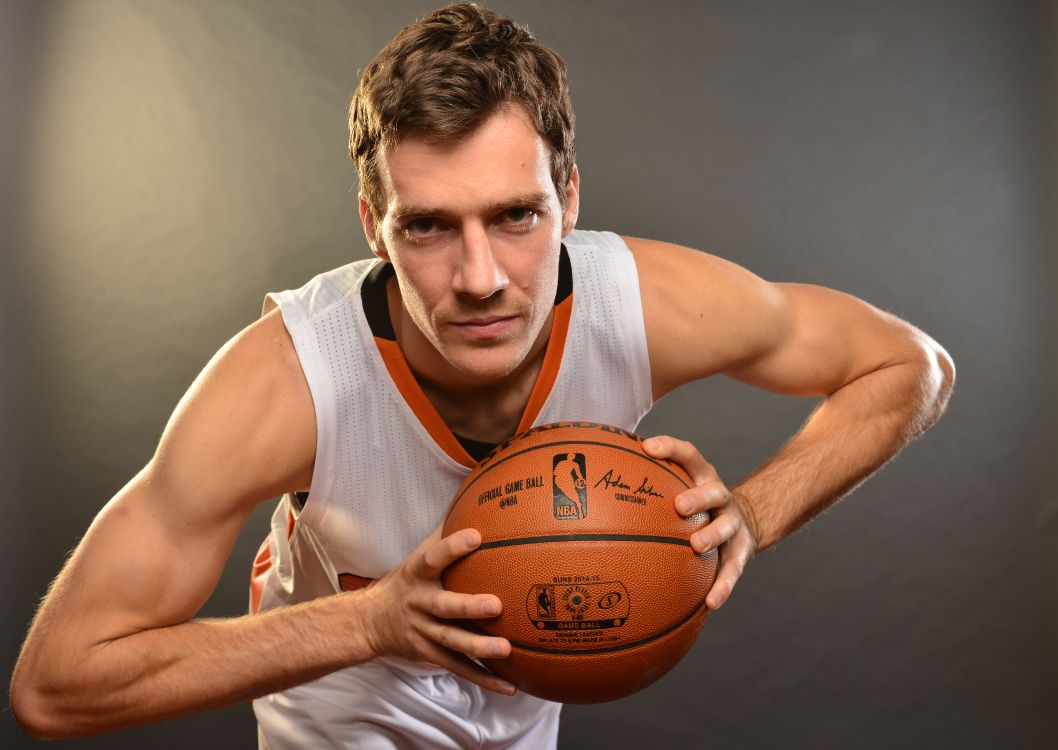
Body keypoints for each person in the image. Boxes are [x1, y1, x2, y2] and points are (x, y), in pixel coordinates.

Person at [9, 3, 955, 747]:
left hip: (520, 718)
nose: (481, 278)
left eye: (516, 216)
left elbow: (908, 364)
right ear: (373, 222)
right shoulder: (289, 382)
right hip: (341, 724)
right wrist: (373, 623)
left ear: (569, 197)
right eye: (426, 227)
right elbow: (55, 686)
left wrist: (750, 513)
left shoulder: (650, 305)